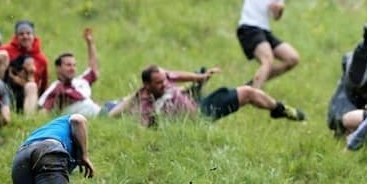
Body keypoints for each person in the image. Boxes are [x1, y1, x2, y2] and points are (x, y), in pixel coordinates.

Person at [200, 0, 300, 89]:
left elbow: (276, 17)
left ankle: (253, 85)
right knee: (268, 60)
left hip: (265, 30)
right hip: (249, 27)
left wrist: (279, 10)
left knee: (292, 59)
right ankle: (254, 93)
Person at [107, 65, 305, 126]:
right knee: (247, 93)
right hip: (200, 117)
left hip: (197, 103)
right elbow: (123, 115)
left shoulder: (163, 77)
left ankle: (281, 110)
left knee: (249, 92)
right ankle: (195, 88)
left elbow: (177, 75)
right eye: (159, 83)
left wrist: (201, 76)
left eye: (164, 79)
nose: (164, 83)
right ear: (147, 85)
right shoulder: (145, 102)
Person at [0, 20, 49, 114]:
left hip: (25, 96)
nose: (25, 36)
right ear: (16, 37)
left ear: (33, 36)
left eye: (28, 33)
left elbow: (44, 86)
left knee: (32, 86)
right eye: (21, 34)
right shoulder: (4, 50)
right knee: (2, 55)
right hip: (2, 89)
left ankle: (28, 120)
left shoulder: (41, 59)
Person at [38, 28, 101, 117]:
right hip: (98, 115)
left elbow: (94, 69)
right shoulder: (56, 88)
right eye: (68, 65)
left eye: (74, 65)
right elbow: (43, 111)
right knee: (127, 102)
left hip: (103, 109)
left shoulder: (81, 81)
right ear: (58, 68)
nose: (72, 68)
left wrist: (90, 43)